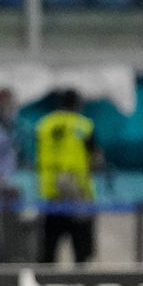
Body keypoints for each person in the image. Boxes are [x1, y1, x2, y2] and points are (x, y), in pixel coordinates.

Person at [35, 89, 97, 265]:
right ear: (78, 104)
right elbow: (94, 156)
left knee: (48, 252)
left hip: (50, 194)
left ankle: (45, 285)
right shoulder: (84, 125)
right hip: (77, 194)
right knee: (81, 252)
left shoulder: (44, 124)